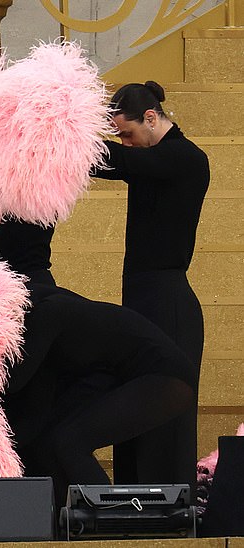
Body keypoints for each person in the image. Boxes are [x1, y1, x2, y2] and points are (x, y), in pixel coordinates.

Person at [0, 220, 196, 509]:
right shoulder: (41, 308)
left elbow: (12, 380)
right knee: (52, 442)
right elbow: (31, 410)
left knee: (69, 442)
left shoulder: (47, 312)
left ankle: (110, 526)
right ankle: (67, 526)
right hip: (127, 374)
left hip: (164, 376)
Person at [92, 81, 210, 492]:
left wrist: (67, 131)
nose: (126, 141)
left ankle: (167, 508)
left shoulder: (186, 158)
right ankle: (132, 504)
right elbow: (111, 161)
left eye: (128, 132)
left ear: (152, 117)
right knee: (135, 401)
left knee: (166, 408)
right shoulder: (155, 157)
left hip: (168, 300)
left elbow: (113, 160)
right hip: (143, 297)